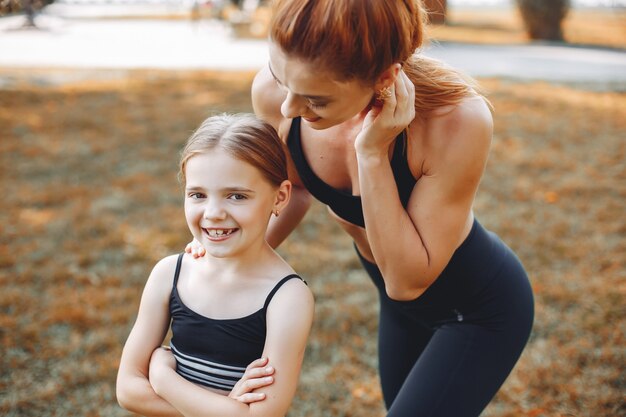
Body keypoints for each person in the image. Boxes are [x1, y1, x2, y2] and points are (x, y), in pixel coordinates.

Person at [189, 1, 535, 416]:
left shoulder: (454, 121)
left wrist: (371, 154)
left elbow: (407, 280)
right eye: (281, 77)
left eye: (316, 100)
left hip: (478, 308)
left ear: (385, 78)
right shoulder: (275, 93)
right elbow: (294, 188)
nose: (288, 109)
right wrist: (218, 262)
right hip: (396, 304)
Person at [117, 113, 314, 417]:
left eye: (236, 196)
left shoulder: (287, 297)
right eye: (197, 194)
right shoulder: (170, 274)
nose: (213, 213)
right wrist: (225, 408)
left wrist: (162, 378)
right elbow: (128, 390)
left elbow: (259, 415)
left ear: (280, 196)